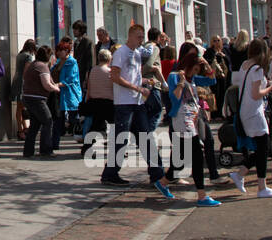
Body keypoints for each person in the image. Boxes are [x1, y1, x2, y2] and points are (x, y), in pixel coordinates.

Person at [100, 24, 173, 199]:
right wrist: (138, 88)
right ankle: (111, 174)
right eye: (139, 37)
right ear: (131, 36)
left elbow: (132, 75)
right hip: (125, 104)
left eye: (142, 37)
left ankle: (157, 175)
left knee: (145, 137)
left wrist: (144, 82)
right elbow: (115, 76)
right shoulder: (121, 53)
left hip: (136, 102)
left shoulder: (136, 53)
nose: (141, 40)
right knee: (122, 140)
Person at [167, 44, 221, 206]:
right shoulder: (175, 76)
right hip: (182, 121)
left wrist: (206, 64)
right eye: (194, 58)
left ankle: (162, 182)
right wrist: (182, 83)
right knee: (196, 156)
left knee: (181, 158)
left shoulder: (194, 78)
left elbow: (212, 80)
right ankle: (202, 196)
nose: (197, 68)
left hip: (194, 120)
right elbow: (175, 98)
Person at [229, 40, 272, 198]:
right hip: (254, 111)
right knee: (263, 148)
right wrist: (271, 87)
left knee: (261, 148)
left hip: (245, 110)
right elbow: (256, 93)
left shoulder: (245, 64)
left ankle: (245, 176)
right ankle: (260, 186)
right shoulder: (257, 69)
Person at [21, 45, 61, 157]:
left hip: (28, 97)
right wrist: (56, 88)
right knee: (48, 121)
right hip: (37, 99)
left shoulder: (33, 65)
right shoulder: (42, 66)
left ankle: (28, 151)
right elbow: (46, 84)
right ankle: (45, 150)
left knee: (35, 124)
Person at [81, 49, 116, 142]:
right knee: (114, 126)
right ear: (109, 59)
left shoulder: (92, 70)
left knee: (95, 126)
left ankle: (87, 147)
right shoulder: (110, 72)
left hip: (95, 101)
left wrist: (87, 100)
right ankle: (118, 147)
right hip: (108, 102)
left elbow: (89, 87)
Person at [54, 37, 82, 139]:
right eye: (57, 51)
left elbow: (71, 78)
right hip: (60, 92)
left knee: (73, 113)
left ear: (66, 51)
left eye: (60, 50)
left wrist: (58, 84)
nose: (58, 53)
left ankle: (75, 131)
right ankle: (62, 131)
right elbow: (52, 72)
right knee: (60, 112)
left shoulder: (72, 62)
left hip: (71, 92)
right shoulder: (58, 61)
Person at [73, 21, 96, 97]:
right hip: (77, 75)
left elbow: (91, 61)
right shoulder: (76, 42)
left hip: (84, 75)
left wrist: (87, 77)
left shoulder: (88, 42)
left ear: (81, 30)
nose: (74, 31)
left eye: (76, 29)